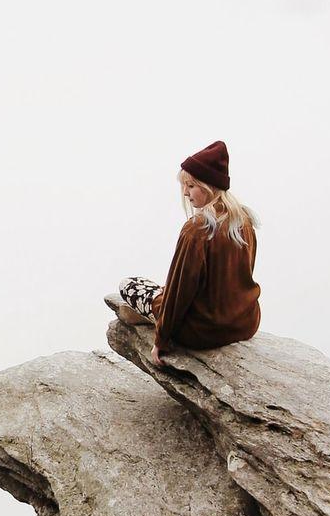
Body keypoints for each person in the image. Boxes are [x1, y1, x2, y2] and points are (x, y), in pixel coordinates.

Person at [106, 140, 261, 365]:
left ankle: (146, 314)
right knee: (166, 290)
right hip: (244, 323)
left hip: (201, 332)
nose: (186, 193)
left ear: (209, 186)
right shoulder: (244, 221)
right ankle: (154, 304)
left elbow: (181, 292)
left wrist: (161, 340)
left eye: (191, 186)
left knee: (129, 285)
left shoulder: (197, 230)